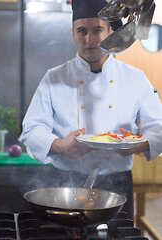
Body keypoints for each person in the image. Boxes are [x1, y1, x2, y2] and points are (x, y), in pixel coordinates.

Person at [20, 0, 162, 221]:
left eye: (97, 30)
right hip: (65, 186)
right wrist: (60, 146)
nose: (89, 39)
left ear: (110, 30)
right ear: (73, 34)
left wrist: (136, 145)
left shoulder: (136, 78)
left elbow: (159, 127)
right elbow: (31, 129)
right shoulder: (54, 77)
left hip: (117, 186)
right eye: (82, 31)